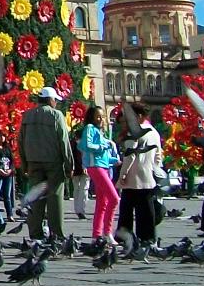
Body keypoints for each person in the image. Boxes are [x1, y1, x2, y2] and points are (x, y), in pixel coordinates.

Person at [18, 87, 74, 241]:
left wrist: (24, 164)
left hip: (33, 163)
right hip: (53, 163)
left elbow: (20, 141)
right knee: (54, 197)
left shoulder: (27, 116)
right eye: (55, 100)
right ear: (50, 100)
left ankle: (35, 233)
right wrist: (69, 166)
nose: (56, 103)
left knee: (35, 197)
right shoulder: (56, 115)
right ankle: (56, 235)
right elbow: (64, 141)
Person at [116, 102, 163, 245]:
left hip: (133, 177)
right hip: (148, 176)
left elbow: (130, 156)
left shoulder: (134, 132)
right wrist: (155, 171)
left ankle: (124, 237)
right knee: (146, 211)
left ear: (139, 116)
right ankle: (148, 238)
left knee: (126, 210)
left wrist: (122, 175)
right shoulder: (154, 132)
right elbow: (158, 156)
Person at [76, 104, 120, 242]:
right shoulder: (89, 128)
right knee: (114, 199)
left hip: (103, 166)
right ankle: (107, 232)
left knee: (102, 203)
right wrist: (103, 146)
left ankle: (97, 235)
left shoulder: (100, 132)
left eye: (102, 116)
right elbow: (87, 146)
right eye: (98, 116)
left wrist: (116, 160)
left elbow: (104, 156)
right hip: (96, 167)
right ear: (92, 117)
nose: (101, 119)